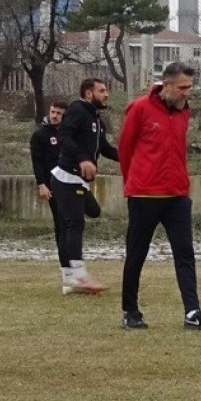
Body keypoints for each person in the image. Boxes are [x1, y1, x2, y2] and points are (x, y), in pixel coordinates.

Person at [117, 62, 201, 331]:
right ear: (166, 85)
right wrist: (134, 182)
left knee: (185, 253)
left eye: (190, 87)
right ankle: (130, 311)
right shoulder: (139, 108)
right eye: (183, 87)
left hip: (177, 194)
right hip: (144, 195)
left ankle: (192, 312)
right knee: (136, 254)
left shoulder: (183, 112)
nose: (188, 92)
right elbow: (125, 149)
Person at [51, 79, 117, 295]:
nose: (106, 94)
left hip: (79, 181)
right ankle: (77, 276)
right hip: (67, 178)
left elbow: (104, 148)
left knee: (93, 212)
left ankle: (71, 278)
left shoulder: (96, 118)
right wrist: (82, 158)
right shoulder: (77, 110)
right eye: (102, 90)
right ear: (89, 93)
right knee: (74, 224)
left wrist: (131, 156)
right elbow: (63, 135)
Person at [30, 100, 101, 282]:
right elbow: (36, 162)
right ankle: (68, 273)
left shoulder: (72, 133)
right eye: (53, 112)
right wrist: (41, 184)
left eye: (59, 113)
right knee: (63, 227)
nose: (54, 116)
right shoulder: (40, 134)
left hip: (75, 182)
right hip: (56, 185)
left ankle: (73, 270)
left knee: (93, 210)